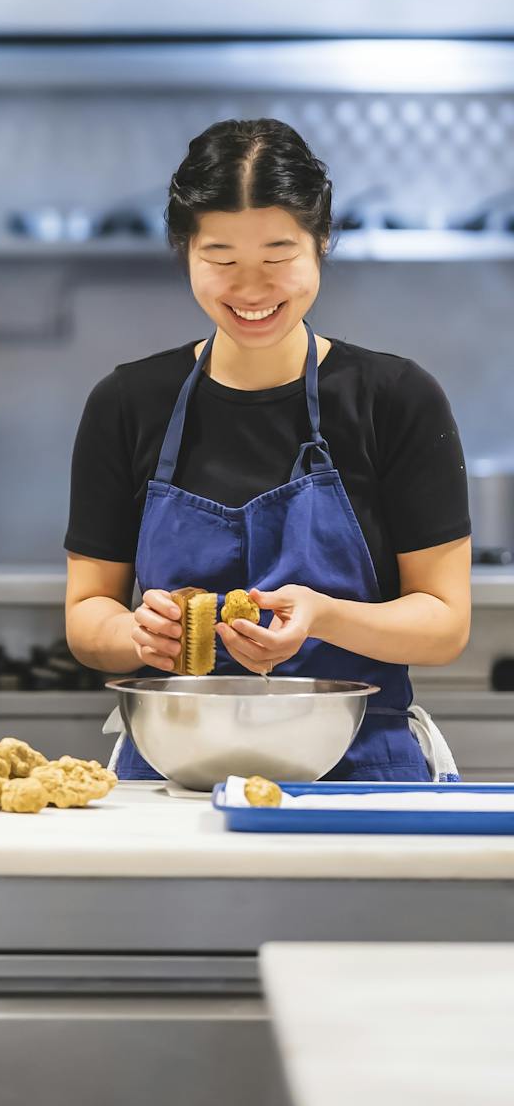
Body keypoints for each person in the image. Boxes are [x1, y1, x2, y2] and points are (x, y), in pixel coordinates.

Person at [64, 118, 471, 782]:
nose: (250, 290)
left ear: (322, 241)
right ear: (185, 250)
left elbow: (445, 623)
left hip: (360, 768)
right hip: (173, 770)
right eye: (221, 260)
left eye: (278, 258)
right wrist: (135, 634)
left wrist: (325, 617)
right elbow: (88, 615)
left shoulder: (395, 398)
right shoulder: (128, 402)